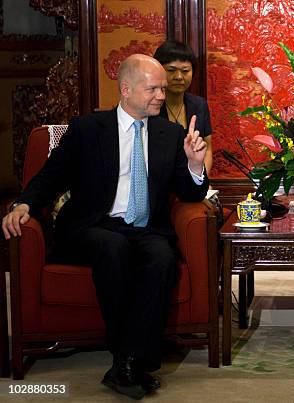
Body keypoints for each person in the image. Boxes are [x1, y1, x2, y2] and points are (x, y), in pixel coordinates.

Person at [2, 54, 209, 399]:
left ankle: (125, 361)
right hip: (93, 225)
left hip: (146, 229)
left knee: (161, 259)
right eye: (153, 88)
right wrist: (24, 203)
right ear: (126, 89)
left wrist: (193, 164)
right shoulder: (86, 129)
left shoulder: (170, 135)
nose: (162, 94)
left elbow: (190, 192)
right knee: (112, 247)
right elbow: (52, 175)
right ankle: (132, 358)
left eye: (162, 88)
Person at [154, 40, 213, 175]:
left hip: (192, 181)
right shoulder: (150, 106)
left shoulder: (199, 105)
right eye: (171, 70)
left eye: (185, 71)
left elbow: (207, 148)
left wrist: (200, 180)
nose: (179, 77)